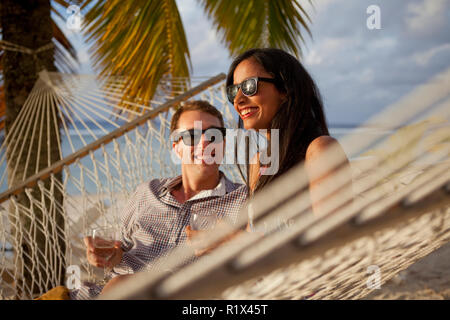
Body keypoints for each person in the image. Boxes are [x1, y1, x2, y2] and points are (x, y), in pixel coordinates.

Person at [36, 100, 247, 300]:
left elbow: (267, 256)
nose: (204, 143)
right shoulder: (148, 192)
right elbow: (121, 252)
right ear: (176, 147)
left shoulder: (242, 200)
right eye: (191, 136)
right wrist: (110, 256)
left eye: (214, 135)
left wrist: (231, 243)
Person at [226, 48, 353, 218]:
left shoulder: (319, 151)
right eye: (234, 91)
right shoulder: (258, 163)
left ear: (284, 90)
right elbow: (255, 234)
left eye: (250, 86)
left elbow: (333, 235)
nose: (238, 100)